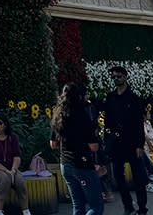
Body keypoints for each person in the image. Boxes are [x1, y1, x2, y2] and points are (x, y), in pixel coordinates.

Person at [49, 83, 103, 215]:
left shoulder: (58, 117)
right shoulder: (83, 117)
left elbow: (53, 144)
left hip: (65, 164)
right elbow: (94, 146)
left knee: (78, 205)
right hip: (83, 164)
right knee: (96, 207)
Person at [104, 65, 147, 215]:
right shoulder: (110, 98)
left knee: (138, 177)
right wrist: (106, 143)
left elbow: (139, 124)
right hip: (116, 143)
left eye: (119, 76)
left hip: (132, 142)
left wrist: (139, 145)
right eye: (114, 77)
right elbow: (107, 122)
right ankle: (128, 206)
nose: (116, 79)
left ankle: (142, 208)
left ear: (125, 77)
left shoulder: (134, 98)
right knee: (118, 176)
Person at [0, 112, 32, 215]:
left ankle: (26, 211)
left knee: (19, 181)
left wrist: (13, 170)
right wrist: (6, 171)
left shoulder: (12, 137)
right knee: (4, 179)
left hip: (11, 168)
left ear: (5, 124)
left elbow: (17, 156)